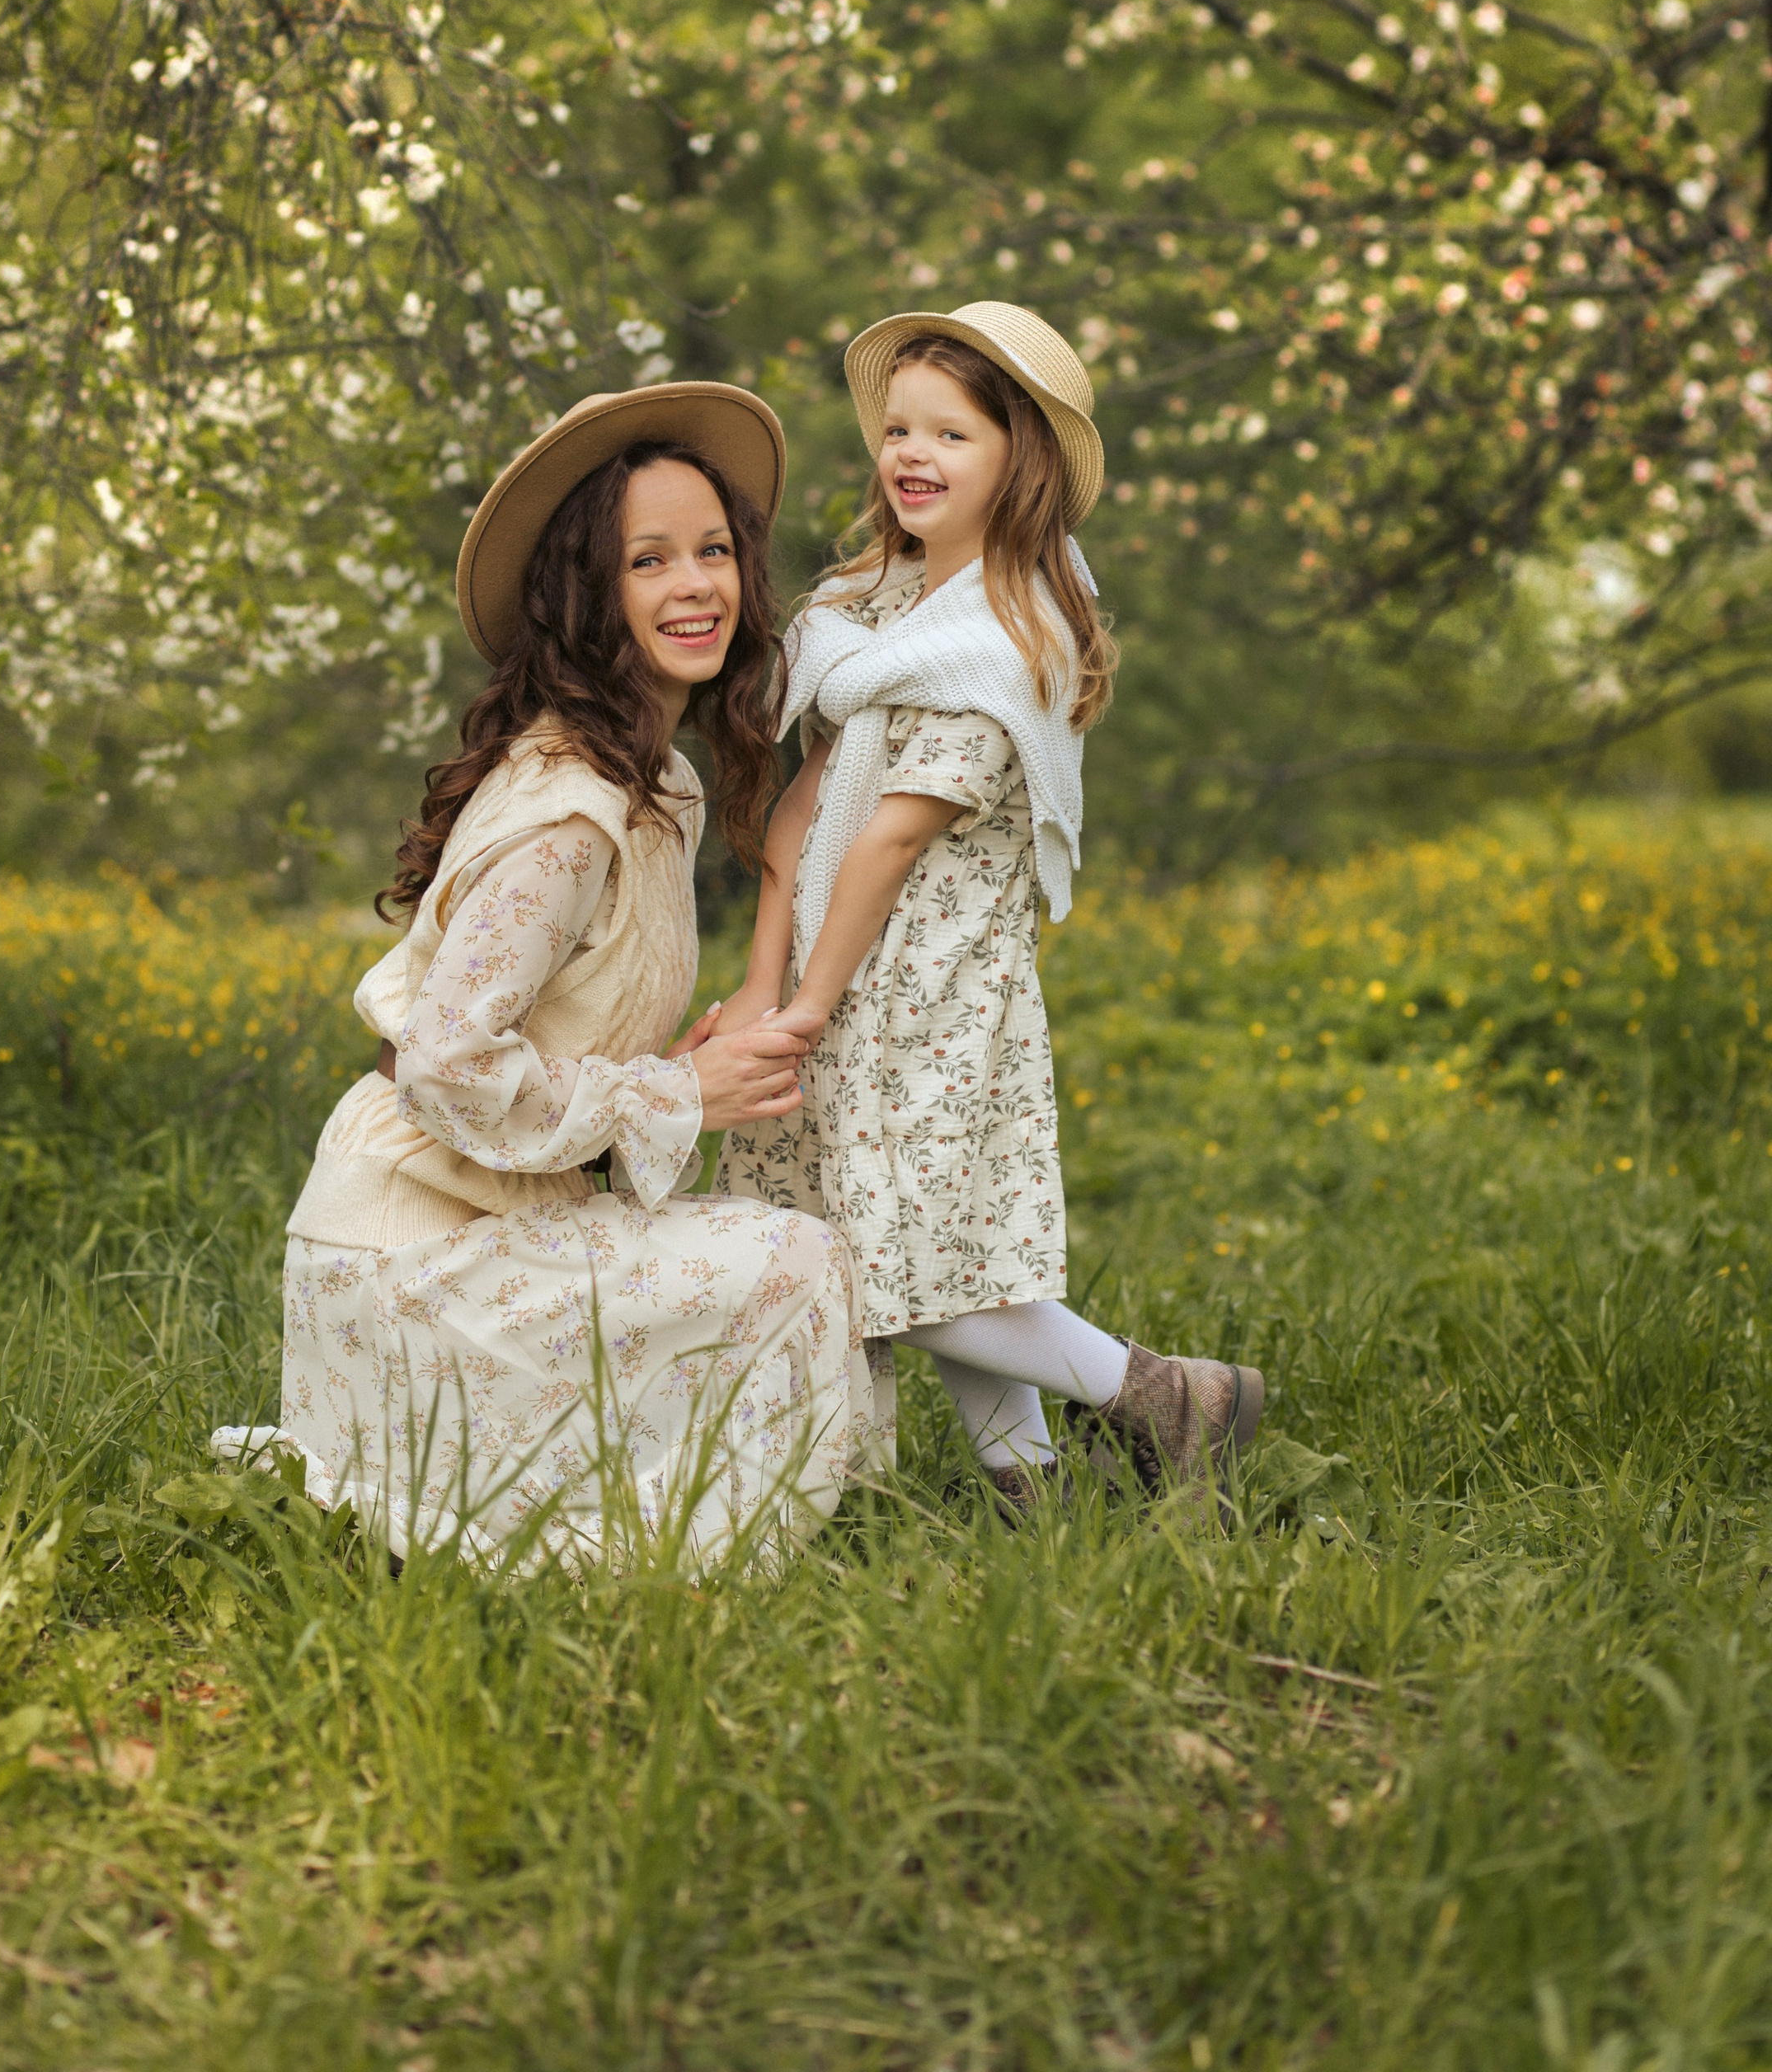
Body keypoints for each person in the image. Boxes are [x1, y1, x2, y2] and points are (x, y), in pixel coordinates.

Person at [215, 383, 882, 1564]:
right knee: (797, 1257)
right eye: (650, 561)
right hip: (414, 1264)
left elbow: (546, 1036)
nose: (698, 587)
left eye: (715, 551)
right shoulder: (571, 810)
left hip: (494, 1225)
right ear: (591, 595)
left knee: (784, 1237)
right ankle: (674, 1566)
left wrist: (667, 1067)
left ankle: (663, 1520)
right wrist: (681, 1099)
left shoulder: (653, 784)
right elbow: (443, 1062)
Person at [714, 302, 1262, 1515]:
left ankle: (1165, 1394)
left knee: (918, 1263)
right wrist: (765, 978)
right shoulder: (867, 607)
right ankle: (1032, 1488)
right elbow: (806, 811)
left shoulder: (1007, 635)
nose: (911, 454)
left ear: (1022, 461)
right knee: (910, 1243)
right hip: (835, 965)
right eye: (899, 428)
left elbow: (894, 836)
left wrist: (808, 999)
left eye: (951, 434)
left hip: (930, 988)